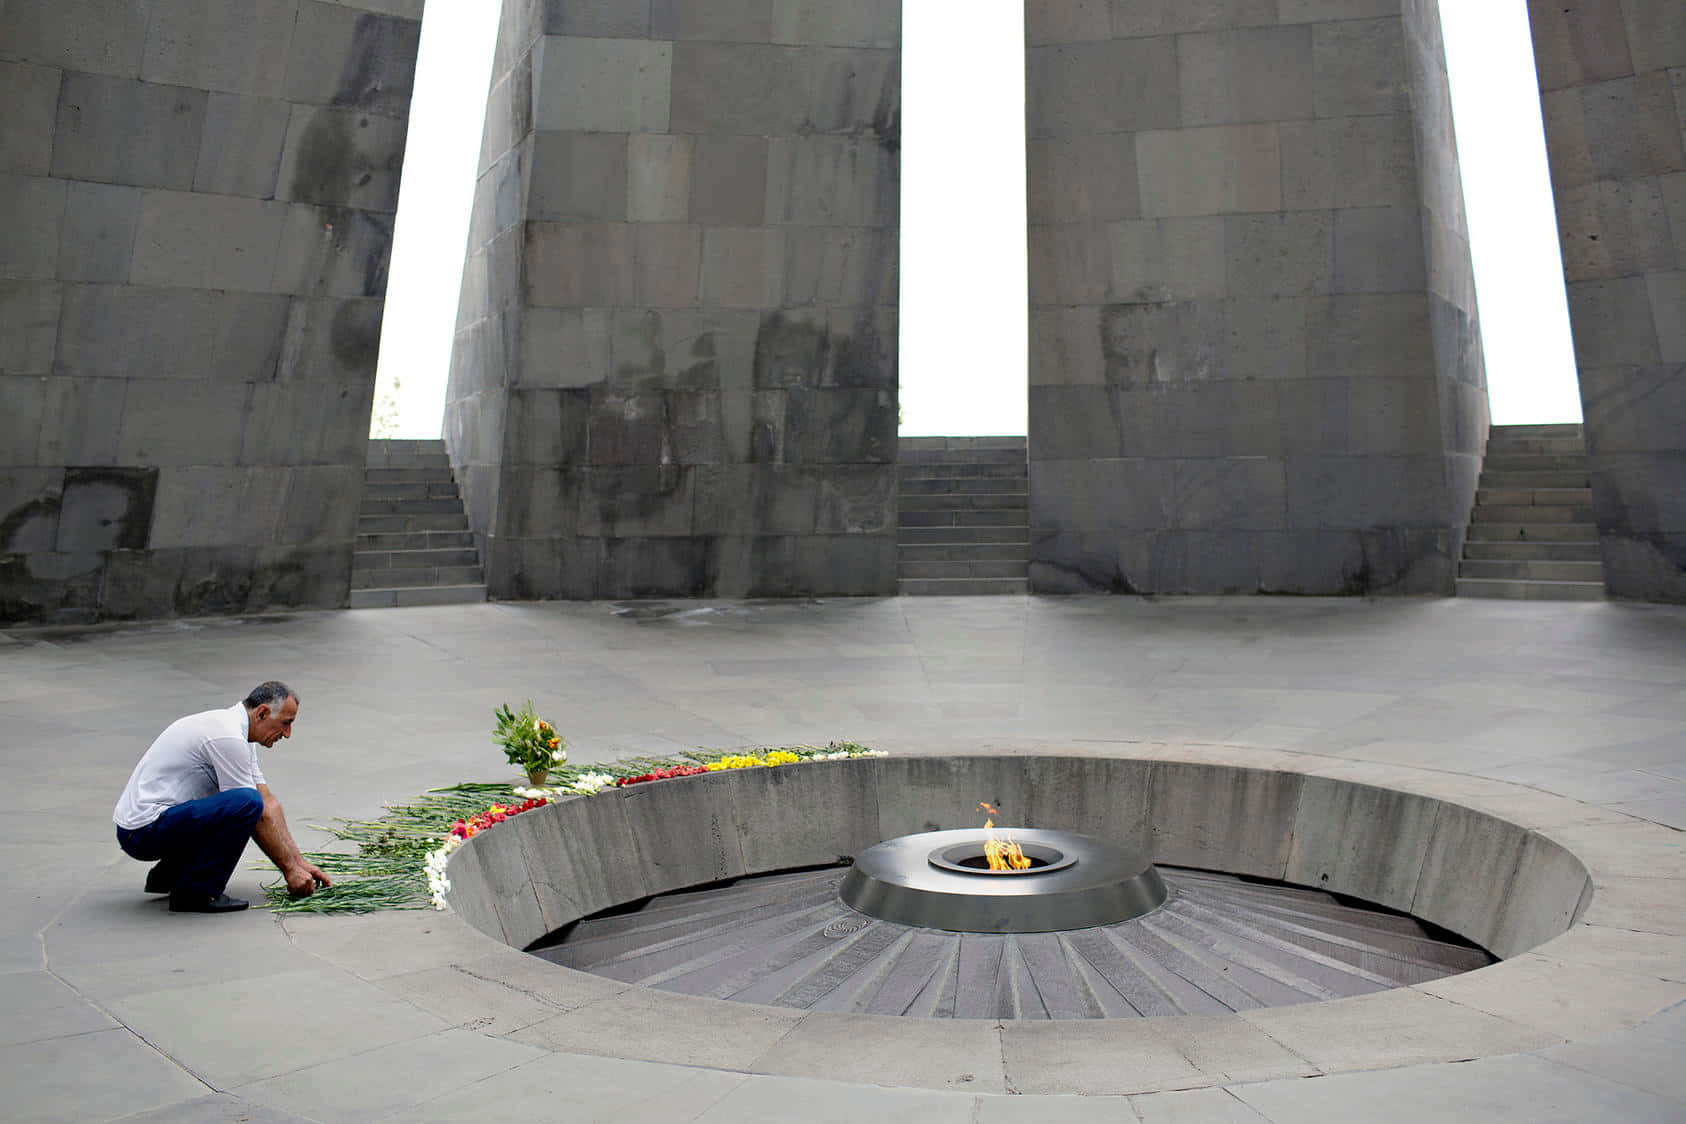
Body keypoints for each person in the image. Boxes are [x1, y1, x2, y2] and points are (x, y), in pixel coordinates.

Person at [113, 681, 331, 913]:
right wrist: (289, 870)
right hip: (143, 832)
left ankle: (170, 875)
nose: (287, 734)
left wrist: (298, 863)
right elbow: (255, 812)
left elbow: (268, 802)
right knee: (244, 804)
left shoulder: (238, 731)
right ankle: (195, 893)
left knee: (245, 802)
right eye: (286, 723)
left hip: (147, 825)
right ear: (262, 713)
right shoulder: (227, 737)